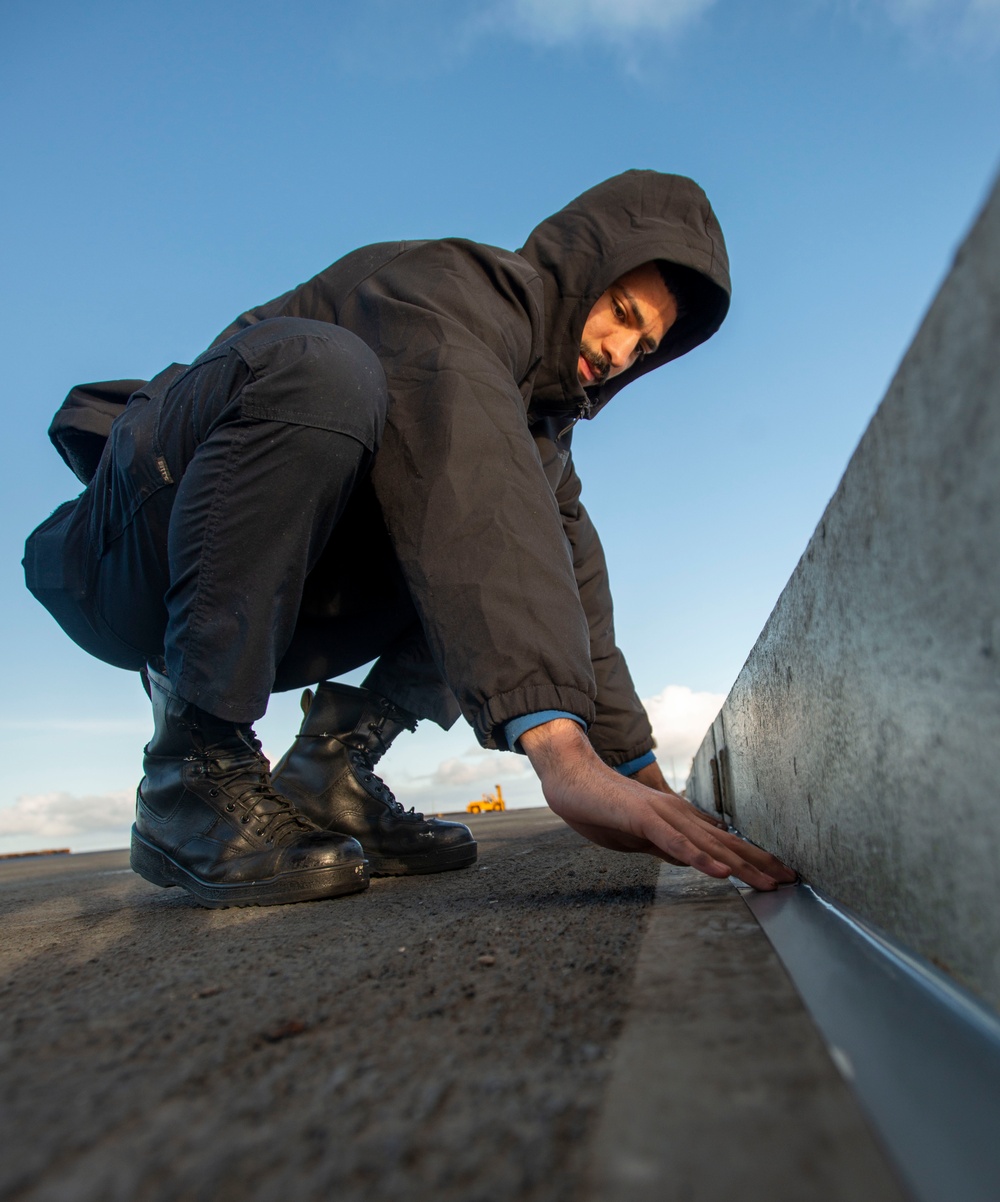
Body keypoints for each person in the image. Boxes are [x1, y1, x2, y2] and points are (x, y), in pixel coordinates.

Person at [24, 170, 795, 908]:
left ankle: (333, 771)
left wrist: (643, 779)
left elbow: (574, 590)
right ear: (581, 273)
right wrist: (562, 757)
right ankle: (189, 769)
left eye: (647, 346)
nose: (625, 353)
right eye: (623, 314)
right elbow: (470, 470)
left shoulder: (539, 439)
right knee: (335, 379)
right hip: (132, 558)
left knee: (520, 530)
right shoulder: (444, 291)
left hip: (274, 609)